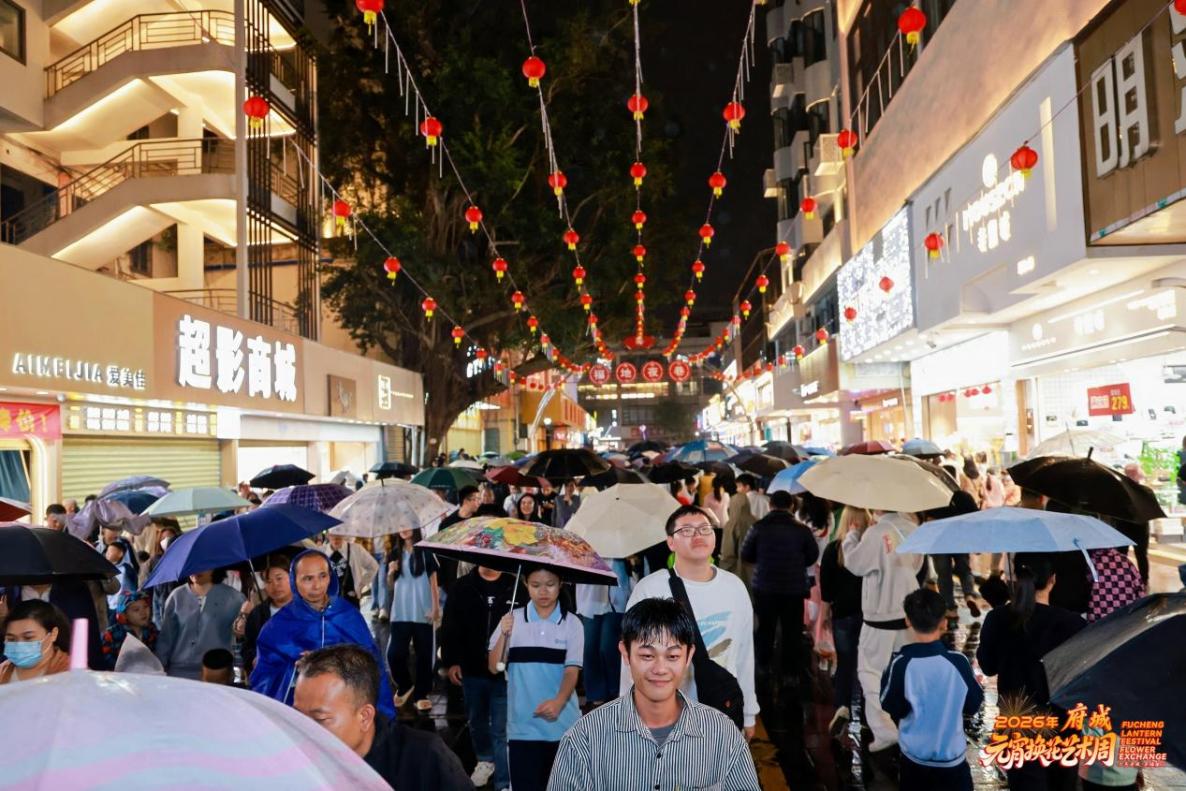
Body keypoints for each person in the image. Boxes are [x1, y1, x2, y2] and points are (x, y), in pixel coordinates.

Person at [547, 597, 761, 791]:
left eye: (672, 656)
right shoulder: (583, 740)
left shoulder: (723, 735)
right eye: (647, 655)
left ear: (689, 656)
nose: (660, 669)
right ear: (625, 653)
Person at [623, 505, 758, 740]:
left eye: (705, 528)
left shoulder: (734, 587)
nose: (697, 535)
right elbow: (631, 659)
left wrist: (749, 713)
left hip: (721, 709)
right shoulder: (650, 588)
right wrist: (627, 713)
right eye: (686, 530)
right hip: (665, 715)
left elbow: (745, 654)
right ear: (670, 542)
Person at [977, 553, 1085, 791]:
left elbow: (987, 666)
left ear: (1014, 579)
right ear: (1053, 580)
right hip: (1064, 723)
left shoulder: (998, 618)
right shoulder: (1073, 623)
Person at [294, 646, 472, 790]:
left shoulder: (425, 758)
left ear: (365, 716)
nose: (303, 729)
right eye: (297, 716)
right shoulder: (295, 762)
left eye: (320, 719)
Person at [252, 550, 395, 718]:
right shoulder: (276, 627)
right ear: (294, 581)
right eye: (308, 579)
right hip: (300, 716)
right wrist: (298, 669)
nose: (317, 585)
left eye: (322, 576)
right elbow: (263, 680)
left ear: (330, 577)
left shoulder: (348, 615)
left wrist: (332, 661)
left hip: (346, 712)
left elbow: (372, 664)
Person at [488, 565, 583, 791]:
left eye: (550, 585)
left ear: (561, 584)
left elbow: (572, 671)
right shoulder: (512, 621)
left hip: (563, 728)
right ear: (525, 585)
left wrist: (559, 701)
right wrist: (503, 633)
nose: (543, 592)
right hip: (522, 727)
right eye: (536, 585)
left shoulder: (572, 624)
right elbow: (494, 667)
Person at [880, 588, 982, 790]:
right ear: (944, 622)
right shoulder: (958, 662)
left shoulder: (901, 663)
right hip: (952, 761)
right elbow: (973, 704)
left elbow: (891, 705)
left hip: (914, 760)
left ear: (908, 621)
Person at [842, 508, 924, 755]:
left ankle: (885, 730)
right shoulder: (912, 529)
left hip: (879, 615)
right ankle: (912, 724)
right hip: (908, 613)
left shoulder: (875, 533)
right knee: (907, 673)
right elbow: (919, 565)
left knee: (870, 674)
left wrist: (851, 536)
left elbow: (855, 564)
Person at [440, 565, 517, 790]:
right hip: (471, 668)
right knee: (477, 719)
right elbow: (449, 625)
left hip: (505, 670)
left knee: (502, 728)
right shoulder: (462, 586)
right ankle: (485, 760)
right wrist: (451, 660)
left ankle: (503, 781)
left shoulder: (514, 586)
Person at [740, 489, 819, 677]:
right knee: (792, 631)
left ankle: (763, 667)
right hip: (794, 589)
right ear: (791, 506)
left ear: (770, 505)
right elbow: (812, 556)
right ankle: (789, 673)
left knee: (765, 629)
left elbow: (746, 554)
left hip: (765, 587)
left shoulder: (758, 527)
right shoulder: (802, 530)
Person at [819, 505, 869, 737]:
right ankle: (869, 717)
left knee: (845, 664)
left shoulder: (832, 550)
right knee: (868, 667)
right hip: (869, 615)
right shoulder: (871, 548)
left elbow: (826, 590)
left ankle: (842, 706)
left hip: (843, 614)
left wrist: (824, 616)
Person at [155, 569, 245, 680]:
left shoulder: (235, 599)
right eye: (191, 565)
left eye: (203, 565)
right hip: (179, 672)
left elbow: (243, 640)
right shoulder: (176, 597)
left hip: (218, 673)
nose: (195, 569)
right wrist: (157, 670)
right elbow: (165, 640)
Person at [386, 527, 439, 712]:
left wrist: (436, 607)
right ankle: (405, 685)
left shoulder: (425, 551)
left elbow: (433, 581)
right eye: (399, 525)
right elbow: (390, 586)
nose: (403, 529)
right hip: (400, 613)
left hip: (423, 612)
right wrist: (390, 572)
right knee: (394, 654)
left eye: (407, 524)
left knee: (424, 655)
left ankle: (421, 694)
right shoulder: (394, 553)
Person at [574, 557, 633, 708]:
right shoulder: (585, 539)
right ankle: (596, 696)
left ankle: (616, 691)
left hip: (616, 599)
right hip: (589, 599)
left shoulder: (619, 540)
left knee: (608, 647)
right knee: (590, 648)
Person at [923, 492, 981, 618]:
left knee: (944, 575)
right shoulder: (964, 496)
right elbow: (976, 516)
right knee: (965, 570)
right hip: (960, 538)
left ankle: (950, 609)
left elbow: (927, 520)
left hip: (939, 541)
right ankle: (969, 595)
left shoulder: (933, 496)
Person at [235, 556, 292, 673]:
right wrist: (253, 659)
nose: (275, 585)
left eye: (279, 578)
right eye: (268, 581)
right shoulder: (257, 614)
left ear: (291, 577)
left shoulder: (307, 610)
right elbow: (247, 647)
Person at [1, 600, 71, 683]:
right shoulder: (2, 672)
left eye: (28, 637)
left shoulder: (73, 673)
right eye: (11, 639)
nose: (18, 645)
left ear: (53, 634)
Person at [437, 485, 483, 592]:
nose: (479, 502)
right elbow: (440, 553)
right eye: (476, 499)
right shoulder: (447, 523)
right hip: (451, 575)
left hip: (473, 573)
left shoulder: (479, 521)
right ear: (466, 501)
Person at [100, 590, 158, 670]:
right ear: (124, 614)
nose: (143, 612)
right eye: (136, 610)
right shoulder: (111, 635)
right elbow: (105, 661)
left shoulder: (152, 630)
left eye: (145, 606)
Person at [1114, 463, 1152, 585]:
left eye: (1132, 473)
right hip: (1137, 526)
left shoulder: (1119, 490)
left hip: (1127, 527)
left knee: (1125, 554)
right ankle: (1143, 580)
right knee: (1137, 554)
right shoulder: (1145, 491)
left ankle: (1125, 578)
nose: (1130, 475)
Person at [322, 533, 379, 610]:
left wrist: (361, 584)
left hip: (350, 596)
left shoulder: (356, 549)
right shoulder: (321, 551)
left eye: (339, 534)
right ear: (328, 535)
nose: (336, 538)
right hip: (328, 598)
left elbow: (373, 566)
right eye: (332, 535)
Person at [719, 480, 754, 582]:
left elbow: (728, 553)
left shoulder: (731, 524)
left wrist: (722, 569)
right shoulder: (757, 522)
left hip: (737, 572)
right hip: (757, 573)